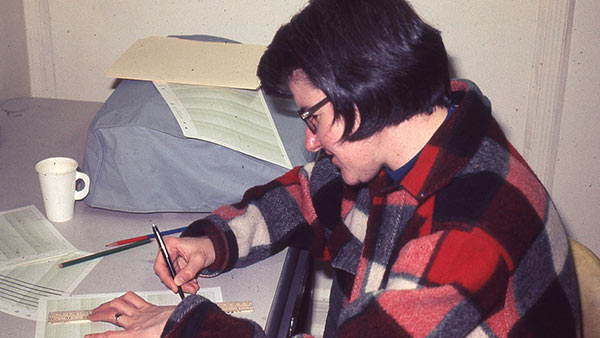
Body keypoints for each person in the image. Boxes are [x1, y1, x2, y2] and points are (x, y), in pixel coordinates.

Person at [85, 0, 582, 337]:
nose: (309, 140)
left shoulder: (462, 241)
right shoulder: (417, 139)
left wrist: (184, 324)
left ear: (359, 102)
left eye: (313, 118)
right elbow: (307, 195)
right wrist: (214, 241)